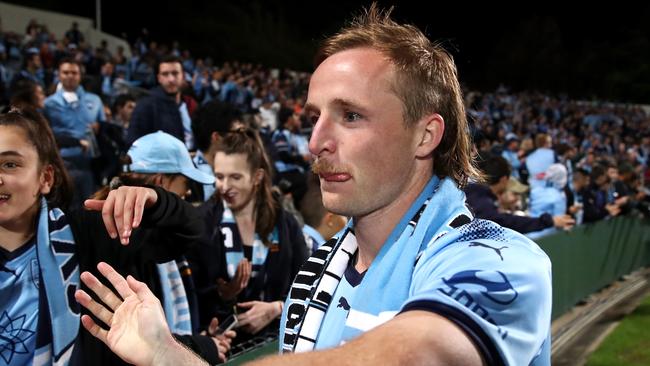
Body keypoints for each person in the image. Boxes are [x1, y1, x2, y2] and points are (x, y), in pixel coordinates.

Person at [76, 4, 553, 365]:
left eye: (350, 115)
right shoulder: (320, 267)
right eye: (314, 117)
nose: (315, 142)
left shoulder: (499, 258)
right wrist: (168, 354)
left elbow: (423, 351)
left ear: (425, 135)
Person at [0, 108, 202, 365]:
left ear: (46, 178)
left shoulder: (89, 232)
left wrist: (156, 201)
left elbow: (189, 231)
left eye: (10, 164)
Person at [187, 128, 308, 343]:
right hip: (225, 349)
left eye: (235, 177)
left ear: (257, 177)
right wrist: (224, 295)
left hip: (275, 345)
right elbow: (193, 299)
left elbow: (308, 286)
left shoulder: (285, 223)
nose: (224, 187)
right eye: (219, 177)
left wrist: (277, 308)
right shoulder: (201, 224)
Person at [44, 58, 106, 207]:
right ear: (59, 75)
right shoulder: (49, 103)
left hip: (89, 163)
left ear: (80, 75)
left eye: (74, 72)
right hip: (62, 163)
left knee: (89, 208)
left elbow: (103, 127)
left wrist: (100, 126)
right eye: (66, 72)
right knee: (64, 208)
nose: (70, 76)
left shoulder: (95, 100)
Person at [465, 154, 575, 233]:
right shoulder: (483, 204)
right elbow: (507, 222)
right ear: (504, 180)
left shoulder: (468, 192)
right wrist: (547, 222)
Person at [127, 55, 196, 149]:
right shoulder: (145, 106)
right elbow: (134, 144)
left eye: (175, 73)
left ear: (183, 76)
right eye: (165, 74)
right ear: (159, 78)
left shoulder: (190, 104)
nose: (171, 79)